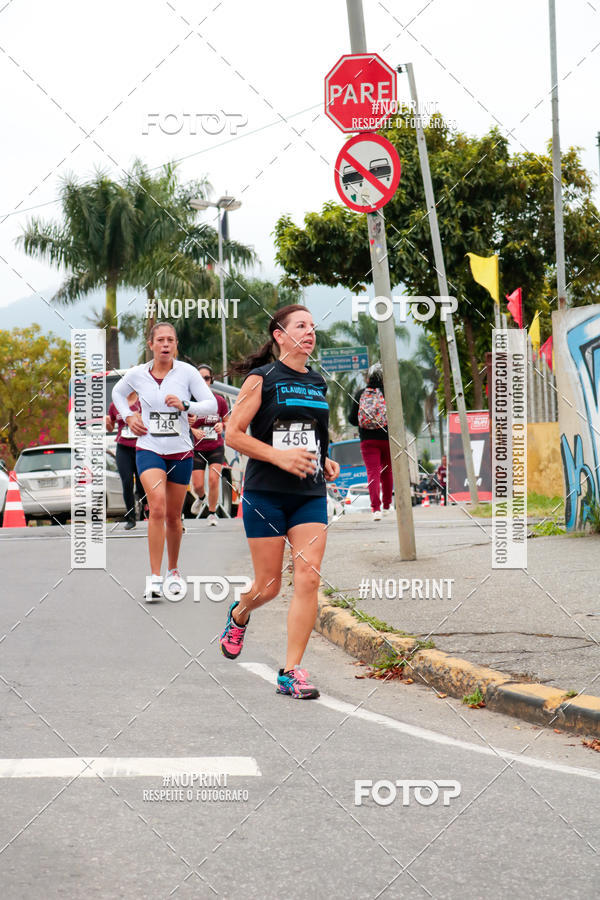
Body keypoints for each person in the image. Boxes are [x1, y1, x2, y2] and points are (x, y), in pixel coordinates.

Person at [220, 304, 340, 700]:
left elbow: (312, 434)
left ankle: (291, 671)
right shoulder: (262, 379)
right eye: (300, 325)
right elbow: (233, 435)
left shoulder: (318, 381)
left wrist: (324, 459)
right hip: (266, 493)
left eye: (312, 326)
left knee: (308, 577)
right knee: (269, 586)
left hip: (309, 493)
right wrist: (279, 457)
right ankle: (240, 613)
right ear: (279, 335)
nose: (309, 332)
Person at [111, 322, 217, 600]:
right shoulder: (137, 374)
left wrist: (186, 405)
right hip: (149, 448)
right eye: (160, 340)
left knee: (173, 515)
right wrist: (129, 417)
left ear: (176, 345)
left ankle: (173, 570)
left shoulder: (187, 373)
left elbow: (211, 404)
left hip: (180, 450)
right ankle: (155, 577)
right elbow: (117, 394)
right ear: (151, 345)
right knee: (156, 506)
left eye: (170, 340)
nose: (165, 344)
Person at [348, 363, 393, 521]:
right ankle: (386, 506)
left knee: (373, 472)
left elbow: (352, 419)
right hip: (387, 439)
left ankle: (376, 509)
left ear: (368, 378)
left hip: (367, 440)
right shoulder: (388, 394)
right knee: (387, 472)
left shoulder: (360, 394)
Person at [189, 364, 229, 525]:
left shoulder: (219, 401)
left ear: (211, 380)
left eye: (206, 378)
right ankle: (201, 498)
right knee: (197, 485)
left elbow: (227, 421)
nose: (204, 381)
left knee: (213, 479)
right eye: (200, 379)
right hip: (197, 448)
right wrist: (193, 430)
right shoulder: (190, 401)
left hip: (215, 447)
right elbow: (180, 423)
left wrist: (222, 425)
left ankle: (212, 513)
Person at [105, 391, 144, 529]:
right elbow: (110, 427)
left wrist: (140, 419)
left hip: (141, 446)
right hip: (123, 448)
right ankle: (130, 517)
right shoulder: (116, 404)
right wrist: (107, 423)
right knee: (127, 482)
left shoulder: (143, 402)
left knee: (142, 484)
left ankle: (146, 508)